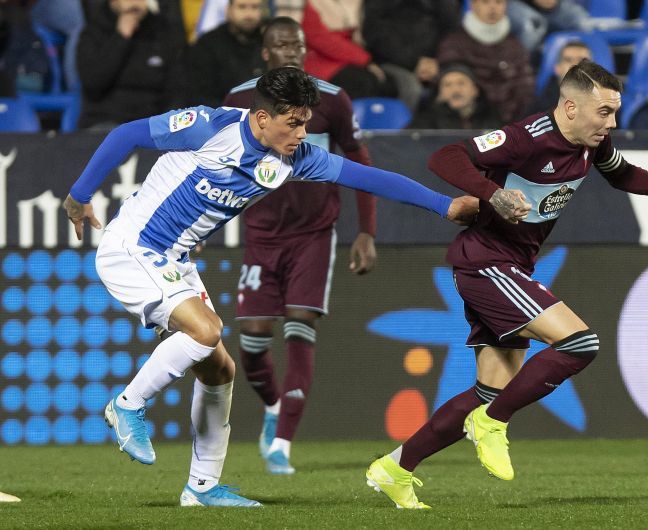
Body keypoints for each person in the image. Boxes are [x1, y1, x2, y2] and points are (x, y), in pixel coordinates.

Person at [62, 66, 477, 507]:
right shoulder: (210, 126)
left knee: (220, 371)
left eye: (306, 122)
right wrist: (79, 195)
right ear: (262, 118)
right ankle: (127, 405)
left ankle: (201, 488)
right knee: (206, 331)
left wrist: (444, 205)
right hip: (134, 247)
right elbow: (126, 135)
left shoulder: (297, 158)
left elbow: (369, 178)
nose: (303, 133)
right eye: (293, 123)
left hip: (175, 261)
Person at [365, 60, 648, 509]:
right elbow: (444, 157)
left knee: (489, 391)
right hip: (486, 263)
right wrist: (493, 193)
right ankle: (492, 423)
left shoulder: (593, 140)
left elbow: (619, 173)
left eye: (615, 112)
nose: (612, 123)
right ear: (570, 107)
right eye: (604, 112)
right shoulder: (526, 137)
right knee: (580, 344)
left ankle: (395, 468)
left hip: (510, 267)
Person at [221, 16, 378, 475]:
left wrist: (366, 231)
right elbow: (215, 166)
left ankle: (282, 444)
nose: (292, 51)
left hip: (314, 233)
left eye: (298, 45)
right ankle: (274, 406)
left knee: (300, 323)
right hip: (261, 233)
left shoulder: (332, 99)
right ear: (266, 53)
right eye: (282, 45)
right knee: (252, 341)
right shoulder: (238, 101)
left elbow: (361, 162)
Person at [77, 0, 185, 129]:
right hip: (105, 121)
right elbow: (93, 84)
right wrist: (121, 37)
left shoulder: (164, 31)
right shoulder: (94, 31)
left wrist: (168, 125)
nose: (135, 2)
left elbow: (176, 88)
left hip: (151, 125)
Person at [437, 0, 535, 122]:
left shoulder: (515, 46)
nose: (492, 7)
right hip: (465, 121)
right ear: (473, 5)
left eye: (498, 2)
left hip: (509, 122)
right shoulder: (453, 44)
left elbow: (524, 89)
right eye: (485, 2)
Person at [362, 0, 460, 112]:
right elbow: (373, 33)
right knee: (411, 88)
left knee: (458, 83)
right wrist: (414, 63)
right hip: (389, 63)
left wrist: (437, 60)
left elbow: (451, 31)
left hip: (433, 61)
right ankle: (405, 123)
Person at [186, 0, 264, 107]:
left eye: (255, 7)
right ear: (228, 10)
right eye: (242, 7)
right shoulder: (208, 44)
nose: (249, 15)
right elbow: (199, 94)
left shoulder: (268, 41)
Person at [409, 63, 500, 130]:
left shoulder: (492, 117)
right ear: (441, 93)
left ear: (475, 90)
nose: (455, 90)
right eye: (447, 85)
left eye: (461, 83)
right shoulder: (426, 122)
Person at [531, 40, 592, 113]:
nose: (576, 65)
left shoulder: (602, 103)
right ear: (557, 68)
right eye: (568, 60)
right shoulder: (538, 109)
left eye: (582, 61)